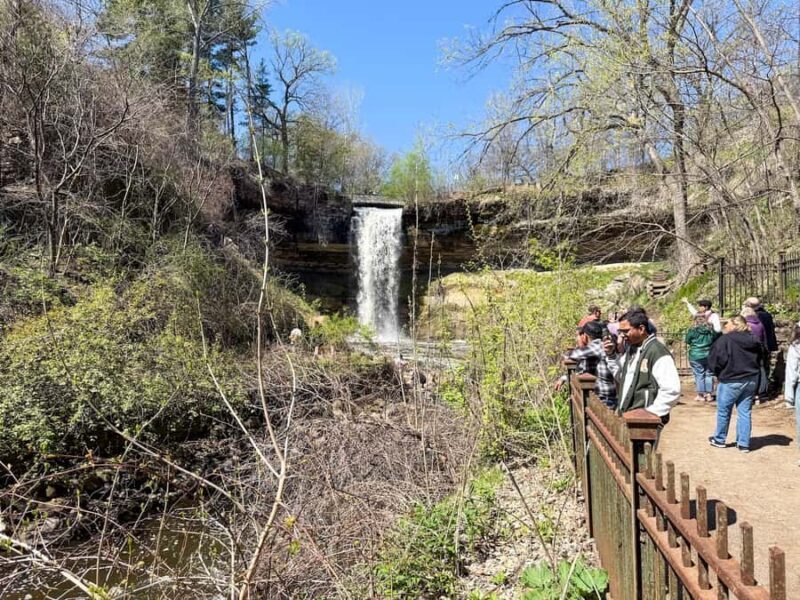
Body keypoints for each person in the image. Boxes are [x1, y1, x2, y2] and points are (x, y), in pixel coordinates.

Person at [603, 309, 680, 432]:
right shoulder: (632, 349)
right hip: (630, 418)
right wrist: (611, 356)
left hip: (644, 424)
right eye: (620, 332)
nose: (622, 335)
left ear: (641, 329)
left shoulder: (657, 352)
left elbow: (672, 390)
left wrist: (650, 413)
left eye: (626, 331)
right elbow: (623, 377)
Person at [707, 316, 766, 453]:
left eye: (727, 323)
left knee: (724, 410)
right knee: (745, 411)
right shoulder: (754, 339)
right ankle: (743, 443)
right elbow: (762, 357)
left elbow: (717, 359)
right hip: (751, 378)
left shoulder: (726, 339)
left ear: (734, 325)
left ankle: (719, 439)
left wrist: (718, 372)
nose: (725, 326)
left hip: (731, 379)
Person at [558, 320, 618, 409]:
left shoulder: (597, 346)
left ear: (585, 336)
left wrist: (580, 345)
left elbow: (572, 355)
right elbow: (581, 369)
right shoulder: (597, 348)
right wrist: (564, 378)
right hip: (605, 394)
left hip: (605, 396)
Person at [685, 314, 719, 402]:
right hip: (709, 354)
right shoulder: (710, 330)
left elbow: (687, 340)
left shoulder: (692, 330)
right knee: (709, 374)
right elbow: (715, 338)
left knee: (699, 374)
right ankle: (709, 394)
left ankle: (700, 395)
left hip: (695, 355)